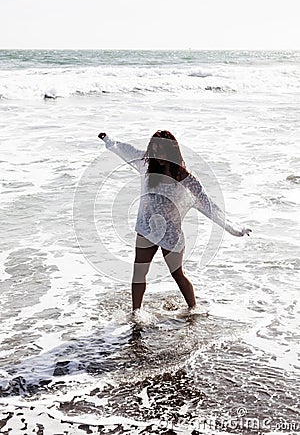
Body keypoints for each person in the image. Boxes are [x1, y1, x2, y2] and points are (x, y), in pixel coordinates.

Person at [98, 130, 251, 312]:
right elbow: (125, 150)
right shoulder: (145, 166)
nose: (158, 155)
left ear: (172, 152)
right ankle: (136, 314)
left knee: (177, 274)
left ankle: (193, 310)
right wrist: (109, 140)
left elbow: (210, 206)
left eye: (162, 150)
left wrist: (234, 229)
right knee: (139, 273)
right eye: (154, 150)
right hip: (147, 229)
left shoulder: (185, 178)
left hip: (171, 233)